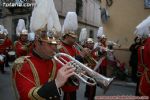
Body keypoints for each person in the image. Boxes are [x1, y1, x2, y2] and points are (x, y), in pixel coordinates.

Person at [12, 0, 75, 99]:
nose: (54, 47)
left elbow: (68, 89)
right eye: (50, 44)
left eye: (55, 44)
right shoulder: (22, 65)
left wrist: (72, 76)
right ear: (37, 42)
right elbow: (28, 96)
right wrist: (56, 83)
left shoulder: (55, 62)